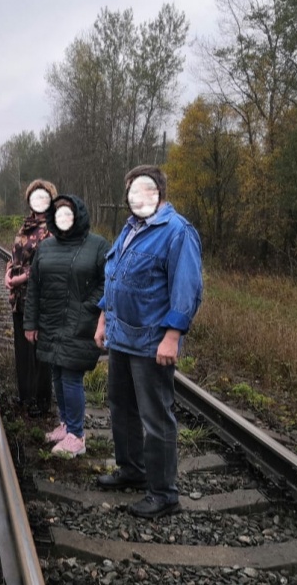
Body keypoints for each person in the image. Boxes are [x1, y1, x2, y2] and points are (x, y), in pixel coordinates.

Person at [94, 165, 203, 519]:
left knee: (156, 418)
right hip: (122, 337)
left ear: (157, 192)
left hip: (151, 343)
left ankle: (164, 494)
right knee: (121, 406)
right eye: (130, 191)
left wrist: (172, 336)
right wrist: (103, 318)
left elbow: (187, 289)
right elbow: (114, 276)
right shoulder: (131, 229)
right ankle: (132, 470)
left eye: (140, 189)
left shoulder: (177, 232)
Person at [23, 195, 109, 457]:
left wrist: (88, 306)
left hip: (80, 322)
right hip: (50, 321)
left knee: (71, 376)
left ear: (78, 215)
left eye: (68, 213)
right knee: (57, 373)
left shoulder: (97, 245)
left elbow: (109, 281)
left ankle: (77, 436)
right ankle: (66, 424)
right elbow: (34, 286)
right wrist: (31, 322)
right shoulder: (46, 247)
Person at [5, 179, 57, 417]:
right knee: (23, 349)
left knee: (39, 350)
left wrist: (20, 278)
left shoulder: (52, 229)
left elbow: (45, 265)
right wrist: (8, 273)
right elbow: (14, 255)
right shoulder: (26, 226)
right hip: (19, 298)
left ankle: (41, 401)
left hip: (39, 298)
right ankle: (25, 396)